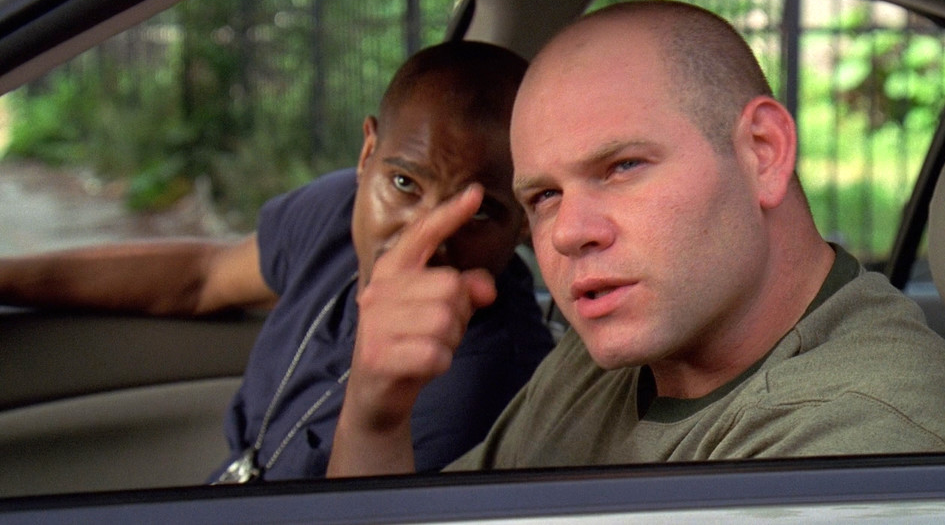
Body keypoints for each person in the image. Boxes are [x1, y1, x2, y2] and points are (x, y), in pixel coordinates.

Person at [326, 0, 945, 477]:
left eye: (622, 167)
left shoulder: (863, 438)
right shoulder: (604, 361)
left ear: (763, 153)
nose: (569, 233)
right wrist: (375, 417)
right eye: (544, 197)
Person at [0, 41, 555, 481]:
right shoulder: (335, 213)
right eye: (405, 183)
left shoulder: (491, 390)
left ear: (524, 223)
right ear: (367, 153)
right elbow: (202, 279)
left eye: (479, 213)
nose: (424, 239)